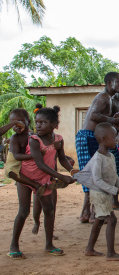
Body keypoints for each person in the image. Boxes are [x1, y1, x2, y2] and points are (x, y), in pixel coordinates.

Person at [8, 106, 76, 259]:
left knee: (50, 210)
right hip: (26, 177)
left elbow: (62, 158)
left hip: (45, 179)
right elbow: (40, 164)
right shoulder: (34, 140)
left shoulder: (58, 139)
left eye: (43, 122)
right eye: (37, 122)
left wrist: (72, 171)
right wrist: (61, 176)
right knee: (23, 211)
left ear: (53, 125)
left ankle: (49, 244)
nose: (38, 126)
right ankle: (14, 245)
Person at [76, 72, 119, 223]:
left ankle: (88, 213)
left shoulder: (110, 99)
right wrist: (114, 119)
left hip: (92, 137)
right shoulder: (103, 97)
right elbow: (94, 116)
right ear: (108, 83)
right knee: (92, 176)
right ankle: (91, 213)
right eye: (118, 82)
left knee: (95, 174)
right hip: (87, 136)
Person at [74, 123, 119, 261]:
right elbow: (97, 180)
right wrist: (115, 190)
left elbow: (113, 174)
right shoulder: (97, 158)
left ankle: (89, 249)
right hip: (99, 193)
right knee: (112, 220)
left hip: (105, 193)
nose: (116, 139)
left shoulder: (110, 155)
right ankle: (110, 253)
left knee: (99, 220)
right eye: (113, 137)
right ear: (103, 139)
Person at [3, 109, 49, 196]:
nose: (17, 125)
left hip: (29, 164)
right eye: (13, 123)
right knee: (11, 172)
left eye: (20, 121)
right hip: (15, 161)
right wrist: (33, 155)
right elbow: (16, 156)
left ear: (29, 121)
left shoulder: (33, 136)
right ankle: (35, 185)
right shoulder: (15, 138)